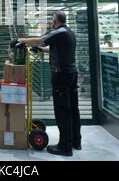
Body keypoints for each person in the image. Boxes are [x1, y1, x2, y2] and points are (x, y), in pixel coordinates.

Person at [17, 10, 81, 156]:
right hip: (71, 74)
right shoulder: (69, 32)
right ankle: (76, 141)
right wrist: (40, 49)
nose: (51, 23)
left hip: (61, 75)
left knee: (62, 110)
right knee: (73, 109)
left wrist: (21, 40)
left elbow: (41, 39)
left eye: (52, 20)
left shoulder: (59, 32)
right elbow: (52, 49)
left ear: (56, 21)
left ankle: (65, 147)